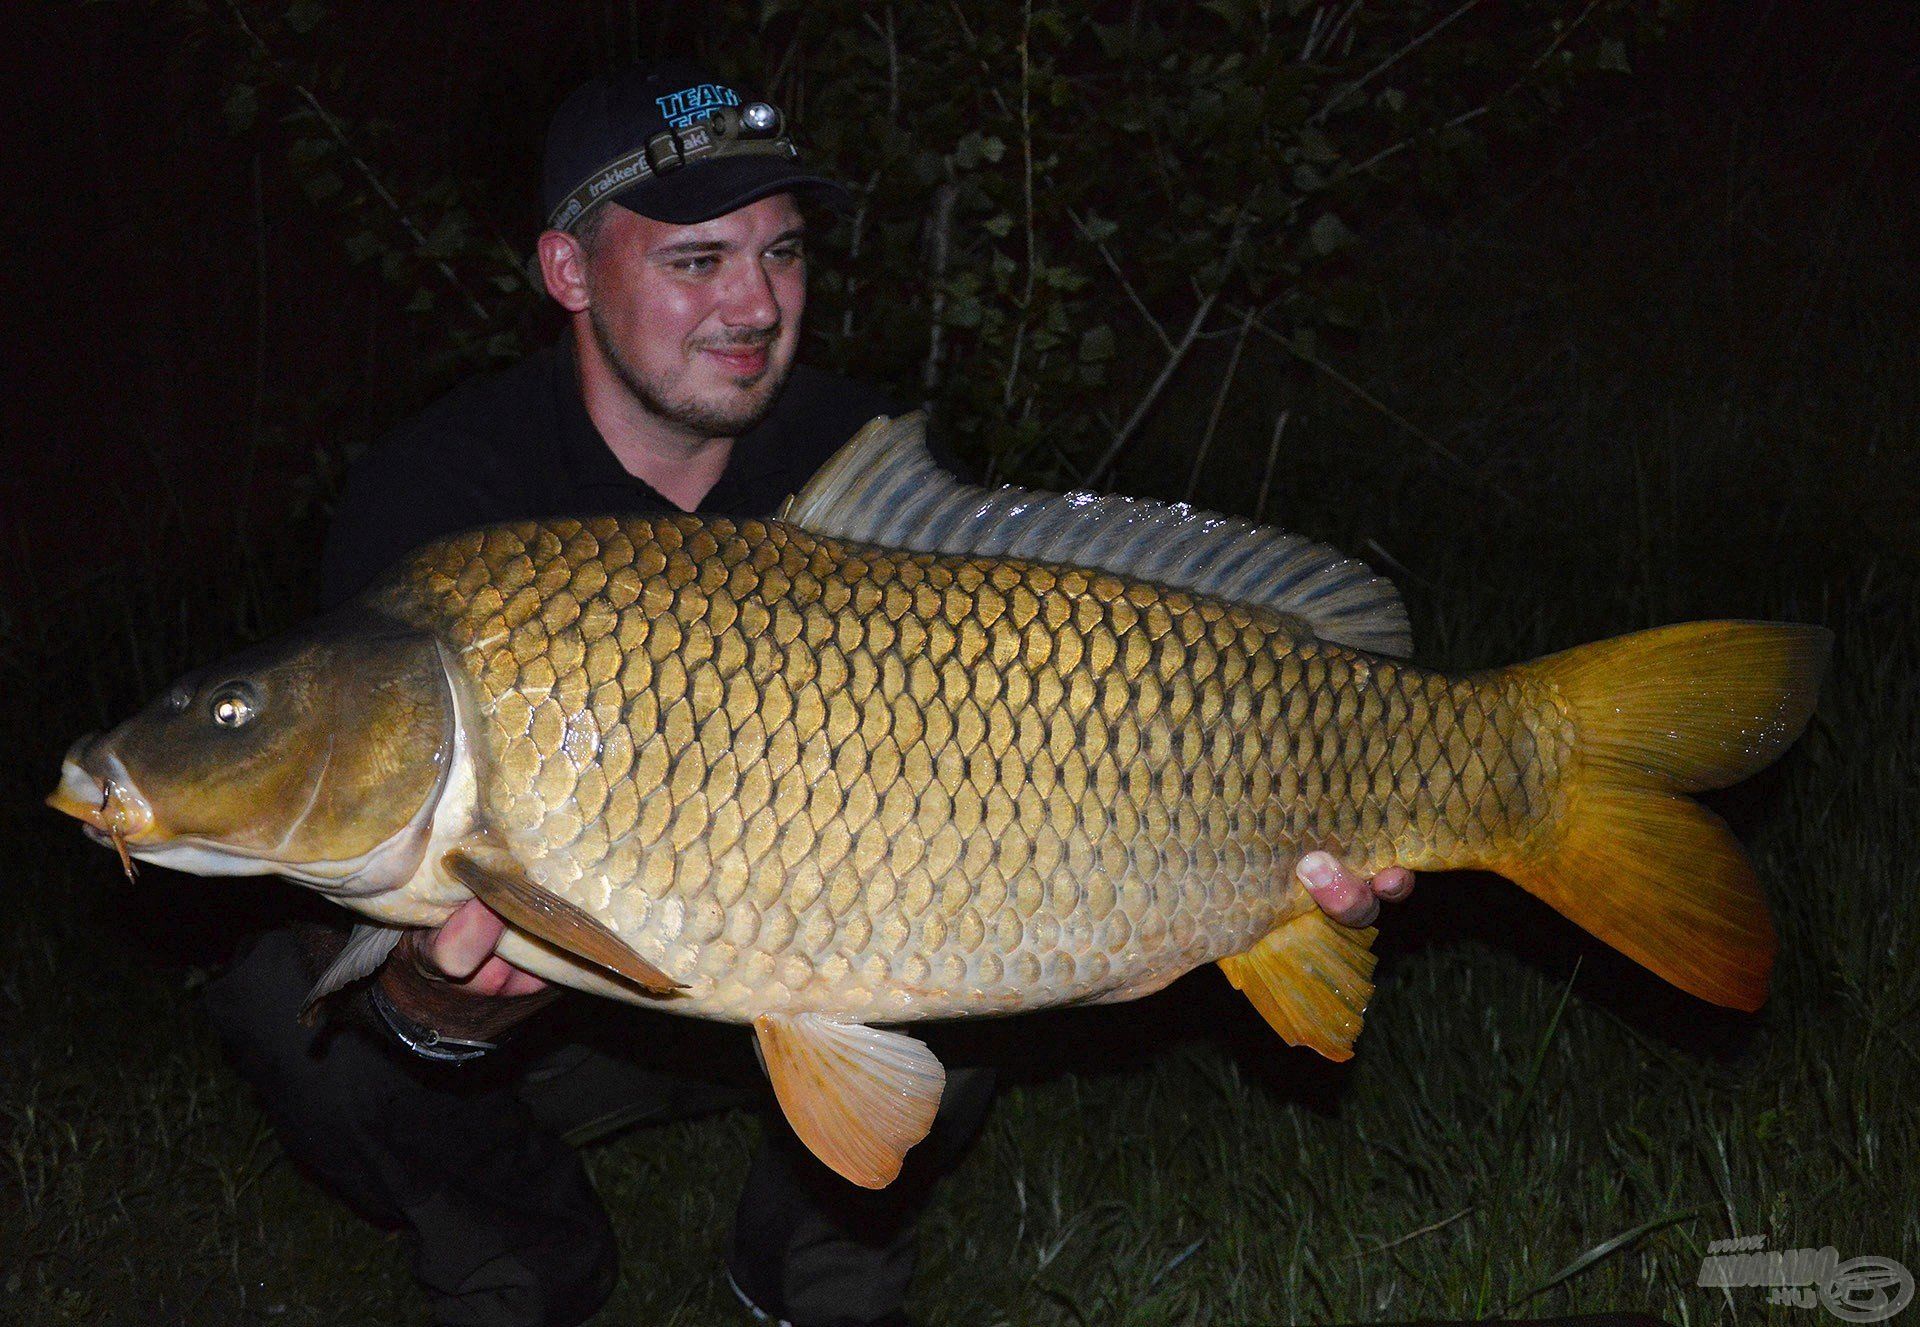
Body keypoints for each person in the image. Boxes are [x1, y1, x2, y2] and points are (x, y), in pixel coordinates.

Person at [204, 60, 1413, 1327]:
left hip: (845, 950)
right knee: (283, 998)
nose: (756, 305)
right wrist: (437, 1006)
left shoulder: (856, 462)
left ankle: (817, 1259)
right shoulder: (442, 495)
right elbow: (387, 883)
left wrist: (1258, 854)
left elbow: (1078, 717)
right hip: (562, 1026)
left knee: (975, 899)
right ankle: (525, 1252)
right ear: (568, 272)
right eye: (698, 262)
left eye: (783, 254)